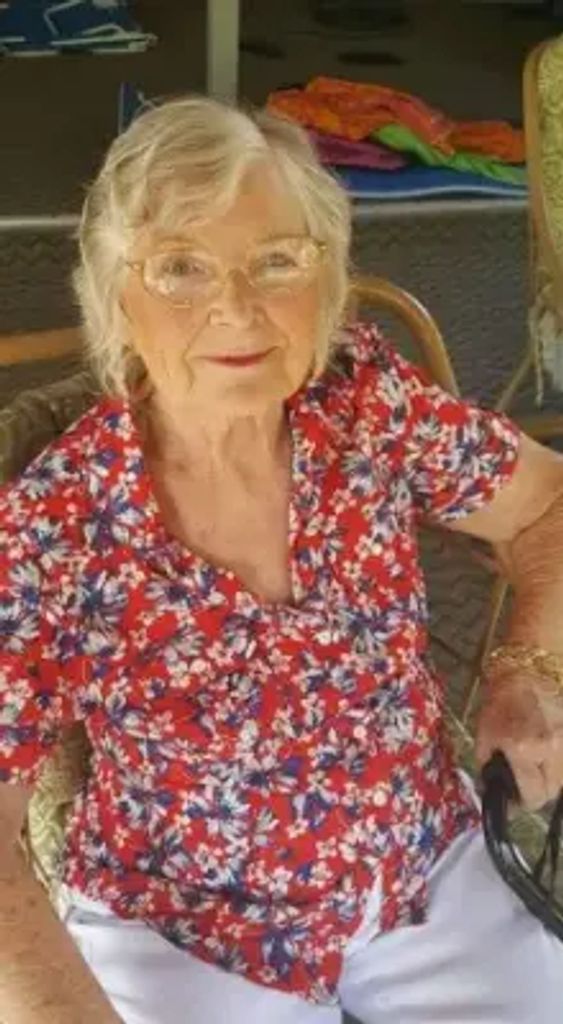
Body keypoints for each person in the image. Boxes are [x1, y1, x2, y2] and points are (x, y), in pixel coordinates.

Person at [1, 96, 563, 1024]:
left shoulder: (365, 403)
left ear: (327, 278)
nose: (235, 307)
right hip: (183, 925)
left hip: (418, 862)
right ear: (115, 297)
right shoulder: (59, 523)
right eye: (180, 268)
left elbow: (546, 503)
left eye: (276, 261)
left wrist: (528, 669)